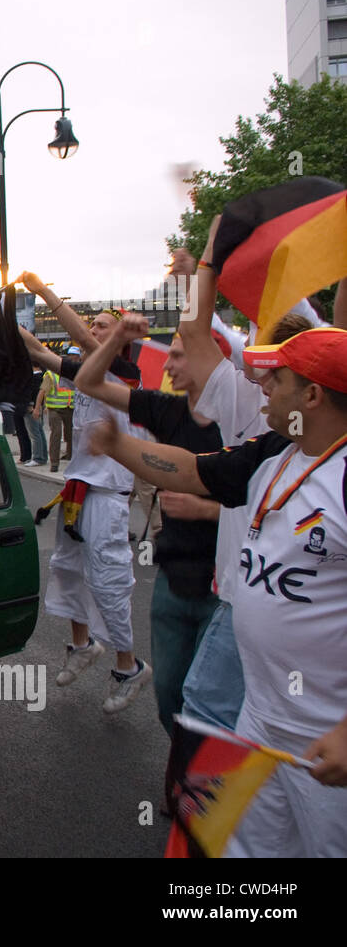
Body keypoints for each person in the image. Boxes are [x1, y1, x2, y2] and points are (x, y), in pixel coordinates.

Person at [87, 325, 347, 856]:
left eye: (278, 379)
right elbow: (192, 471)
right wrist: (118, 446)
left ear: (313, 396)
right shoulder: (275, 451)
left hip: (327, 740)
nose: (263, 386)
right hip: (257, 724)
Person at [169, 229, 320, 731]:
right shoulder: (241, 396)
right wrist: (206, 265)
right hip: (239, 596)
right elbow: (197, 331)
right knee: (222, 714)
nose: (259, 372)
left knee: (208, 712)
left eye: (272, 365)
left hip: (300, 617)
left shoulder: (330, 443)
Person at [74, 312, 222, 735]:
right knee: (170, 698)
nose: (166, 364)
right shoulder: (167, 409)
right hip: (173, 581)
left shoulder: (241, 423)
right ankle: (183, 769)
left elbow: (265, 509)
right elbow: (88, 381)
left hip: (224, 588)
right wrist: (118, 335)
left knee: (210, 704)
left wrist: (207, 510)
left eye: (178, 355)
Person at [19, 270, 151, 713]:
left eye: (102, 326)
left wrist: (43, 292)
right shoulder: (84, 374)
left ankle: (129, 667)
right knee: (67, 569)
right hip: (78, 491)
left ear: (121, 342)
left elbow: (83, 340)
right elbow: (36, 350)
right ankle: (82, 645)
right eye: (92, 323)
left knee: (108, 579)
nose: (93, 330)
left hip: (108, 494)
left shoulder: (124, 374)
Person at [34, 362, 75, 472]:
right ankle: (54, 463)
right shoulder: (51, 375)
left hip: (70, 408)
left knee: (71, 434)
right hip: (55, 409)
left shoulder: (71, 374)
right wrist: (37, 408)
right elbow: (42, 391)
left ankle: (70, 456)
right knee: (56, 434)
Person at [22, 364, 49, 468]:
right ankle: (43, 456)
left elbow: (32, 393)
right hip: (38, 407)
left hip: (31, 408)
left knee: (34, 433)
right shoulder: (43, 376)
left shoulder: (34, 378)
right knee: (39, 432)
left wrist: (31, 405)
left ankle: (38, 458)